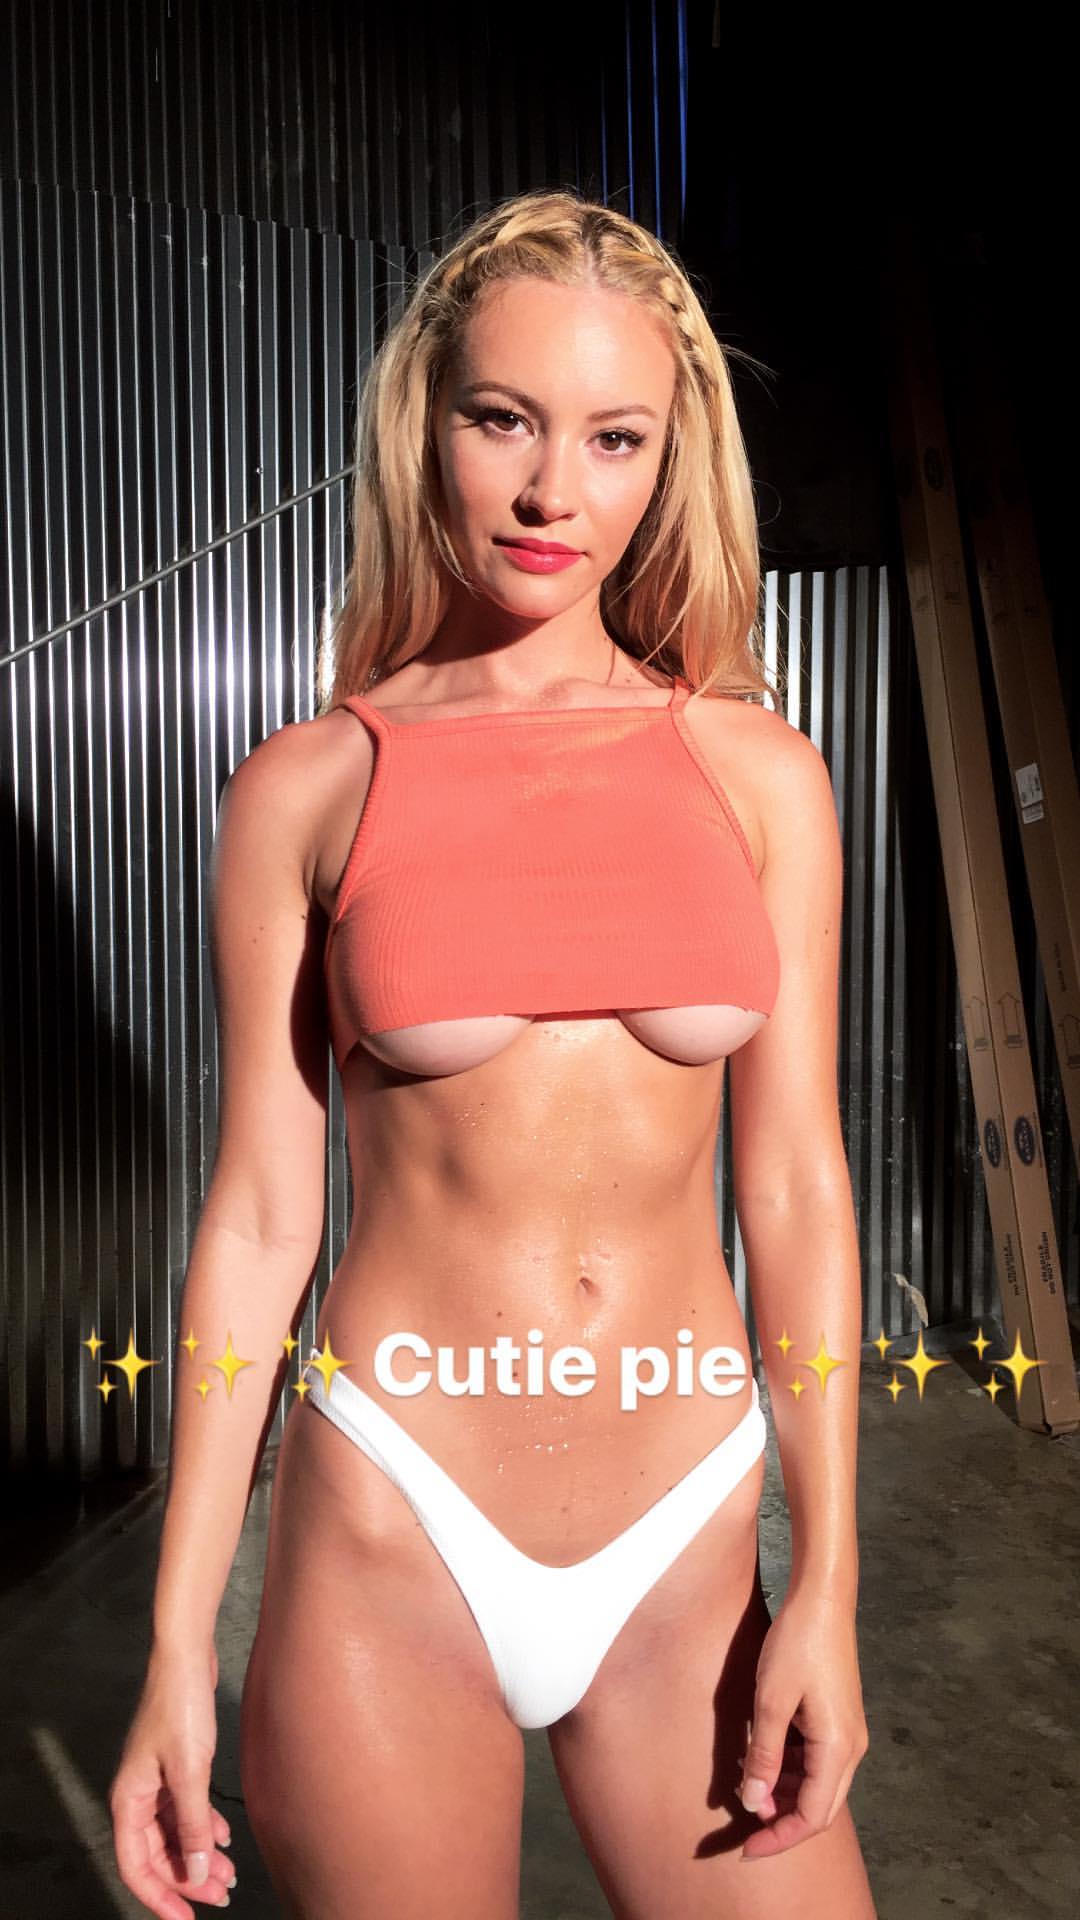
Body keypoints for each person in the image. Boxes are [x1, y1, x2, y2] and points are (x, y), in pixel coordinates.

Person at [109, 187, 876, 1919]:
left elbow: (797, 1189)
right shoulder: (308, 787)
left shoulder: (760, 777)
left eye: (613, 438)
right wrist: (174, 1643)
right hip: (397, 1526)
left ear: (669, 459)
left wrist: (827, 1577)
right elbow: (259, 1222)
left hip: (685, 1534)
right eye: (503, 420)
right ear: (427, 424)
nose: (552, 493)